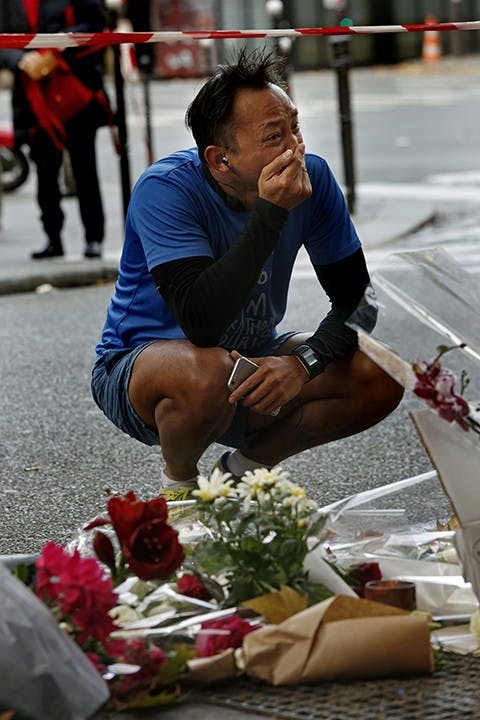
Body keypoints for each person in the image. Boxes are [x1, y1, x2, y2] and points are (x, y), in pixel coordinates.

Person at [91, 49, 404, 500]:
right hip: (142, 372)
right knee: (212, 371)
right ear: (221, 160)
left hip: (248, 359)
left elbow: (358, 299)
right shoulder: (165, 190)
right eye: (275, 136)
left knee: (380, 372)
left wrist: (303, 362)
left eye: (295, 126)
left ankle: (241, 474)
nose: (295, 147)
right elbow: (202, 323)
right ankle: (180, 489)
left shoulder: (313, 177)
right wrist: (271, 213)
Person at [0, 0, 109, 260]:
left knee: (85, 168)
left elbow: (95, 24)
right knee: (45, 170)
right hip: (32, 94)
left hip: (74, 86)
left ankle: (93, 238)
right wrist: (21, 59)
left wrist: (58, 46)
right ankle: (53, 237)